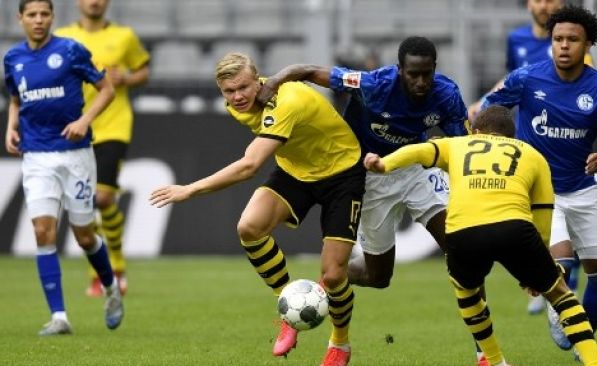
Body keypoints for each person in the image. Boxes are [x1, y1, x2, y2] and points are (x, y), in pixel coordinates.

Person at [258, 35, 490, 365]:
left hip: (416, 172)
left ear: (434, 70)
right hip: (368, 178)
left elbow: (463, 147)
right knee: (378, 277)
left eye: (426, 73)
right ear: (400, 70)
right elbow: (308, 70)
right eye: (413, 74)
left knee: (462, 249)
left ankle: (485, 352)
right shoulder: (375, 83)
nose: (421, 81)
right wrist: (278, 79)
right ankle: (319, 289)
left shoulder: (447, 93)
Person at [149, 52, 365, 366]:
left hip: (342, 173)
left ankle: (340, 345)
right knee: (249, 227)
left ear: (258, 80)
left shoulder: (285, 102)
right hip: (296, 170)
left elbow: (249, 165)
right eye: (229, 91)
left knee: (332, 277)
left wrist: (189, 189)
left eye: (243, 88)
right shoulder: (238, 105)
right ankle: (288, 311)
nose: (237, 97)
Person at [364, 105, 597, 366]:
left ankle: (494, 360)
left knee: (468, 294)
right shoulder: (533, 155)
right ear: (512, 138)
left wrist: (384, 163)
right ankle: (595, 363)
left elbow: (419, 150)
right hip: (514, 229)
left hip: (463, 233)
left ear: (477, 131)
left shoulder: (459, 144)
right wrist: (535, 270)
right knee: (561, 295)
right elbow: (543, 216)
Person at [482, 4, 597, 357]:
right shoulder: (527, 77)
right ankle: (556, 300)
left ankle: (582, 337)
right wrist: (498, 140)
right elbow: (489, 106)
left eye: (572, 40)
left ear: (588, 44)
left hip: (581, 190)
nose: (563, 45)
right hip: (540, 193)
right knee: (559, 265)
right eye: (558, 38)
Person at [3, 0, 123, 335]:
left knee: (84, 236)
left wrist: (85, 120)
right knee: (43, 231)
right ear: (21, 19)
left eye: (44, 14)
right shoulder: (13, 58)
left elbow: (107, 89)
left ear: (53, 18)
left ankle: (112, 290)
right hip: (37, 156)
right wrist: (11, 126)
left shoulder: (71, 50)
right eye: (32, 15)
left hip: (75, 155)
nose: (38, 20)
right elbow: (16, 97)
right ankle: (59, 316)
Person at [469, 0, 586, 316]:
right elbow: (510, 79)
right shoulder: (517, 40)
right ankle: (543, 280)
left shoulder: (571, 41)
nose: (545, 5)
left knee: (563, 214)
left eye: (552, 0)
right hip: (526, 143)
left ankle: (561, 280)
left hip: (564, 145)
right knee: (530, 216)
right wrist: (481, 105)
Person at [55, 0, 151, 297]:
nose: (94, 2)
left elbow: (143, 70)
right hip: (76, 127)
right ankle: (99, 272)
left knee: (104, 197)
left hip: (113, 125)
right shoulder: (61, 36)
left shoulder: (124, 36)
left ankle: (116, 267)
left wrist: (127, 78)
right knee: (84, 202)